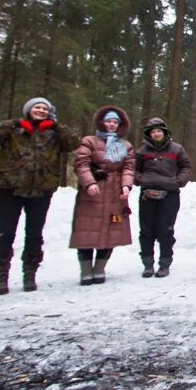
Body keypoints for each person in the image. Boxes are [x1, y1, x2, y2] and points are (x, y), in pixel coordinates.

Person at [0, 97, 79, 294]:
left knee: (34, 234)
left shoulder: (53, 133)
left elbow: (73, 143)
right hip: (11, 189)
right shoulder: (13, 130)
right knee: (6, 233)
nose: (41, 110)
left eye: (44, 108)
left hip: (41, 190)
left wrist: (58, 126)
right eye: (37, 107)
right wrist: (12, 124)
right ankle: (1, 276)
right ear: (28, 110)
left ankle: (30, 274)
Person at [70, 106, 135, 285]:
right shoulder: (89, 141)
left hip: (115, 193)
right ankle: (85, 270)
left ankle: (100, 268)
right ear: (101, 122)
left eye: (115, 122)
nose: (112, 124)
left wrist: (126, 185)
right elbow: (81, 163)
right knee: (86, 231)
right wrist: (90, 182)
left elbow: (128, 167)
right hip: (93, 192)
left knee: (112, 230)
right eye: (109, 121)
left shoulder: (126, 145)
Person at [134, 117, 191, 278]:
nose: (156, 134)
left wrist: (178, 181)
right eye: (153, 131)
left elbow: (186, 167)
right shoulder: (142, 151)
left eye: (159, 131)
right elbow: (134, 169)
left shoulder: (177, 149)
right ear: (149, 134)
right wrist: (141, 180)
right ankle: (148, 264)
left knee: (166, 229)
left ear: (165, 132)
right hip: (147, 194)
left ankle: (165, 263)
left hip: (170, 194)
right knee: (146, 230)